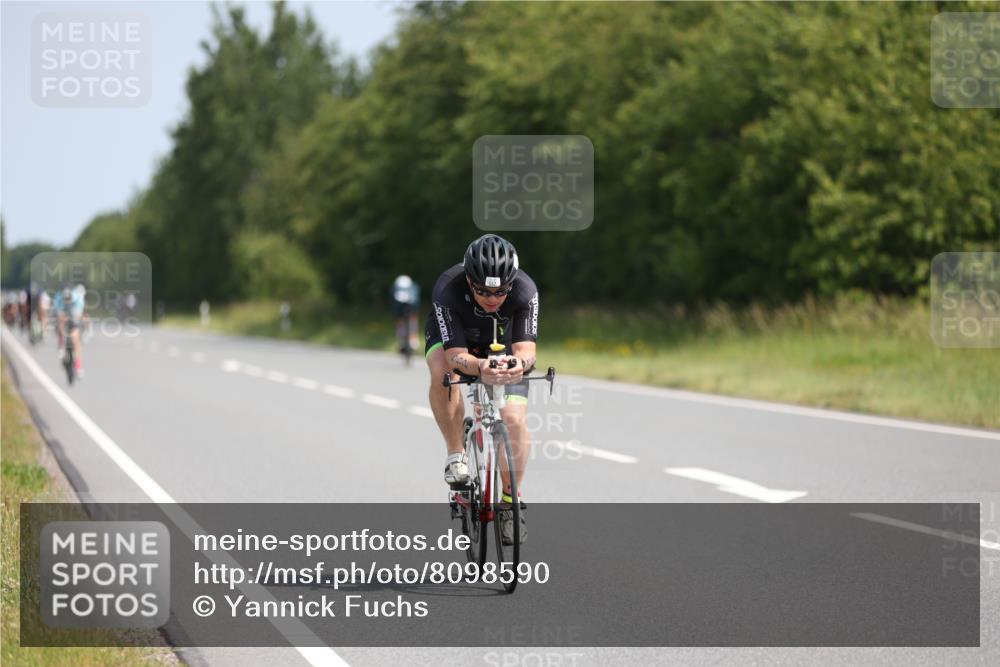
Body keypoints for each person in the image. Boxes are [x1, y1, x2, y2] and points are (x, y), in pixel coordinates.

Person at [424, 234, 539, 544]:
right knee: (442, 372)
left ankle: (509, 500)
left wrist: (518, 364)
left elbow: (527, 350)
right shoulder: (448, 288)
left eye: (501, 291)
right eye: (483, 291)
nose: (492, 298)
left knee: (513, 418)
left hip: (500, 339)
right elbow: (455, 356)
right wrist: (478, 368)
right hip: (454, 337)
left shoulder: (526, 290)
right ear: (469, 280)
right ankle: (456, 454)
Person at [53, 284, 86, 378]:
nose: (67, 301)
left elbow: (79, 315)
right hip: (63, 316)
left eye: (69, 299)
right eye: (65, 299)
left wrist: (78, 319)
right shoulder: (59, 298)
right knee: (60, 322)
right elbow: (58, 313)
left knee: (75, 338)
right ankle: (61, 345)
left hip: (74, 317)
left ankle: (78, 366)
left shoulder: (78, 299)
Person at [391, 275, 420, 356]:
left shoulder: (413, 289)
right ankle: (401, 340)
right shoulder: (395, 291)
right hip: (399, 309)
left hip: (411, 307)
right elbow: (395, 309)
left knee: (413, 317)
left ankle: (413, 337)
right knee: (399, 320)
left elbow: (416, 305)